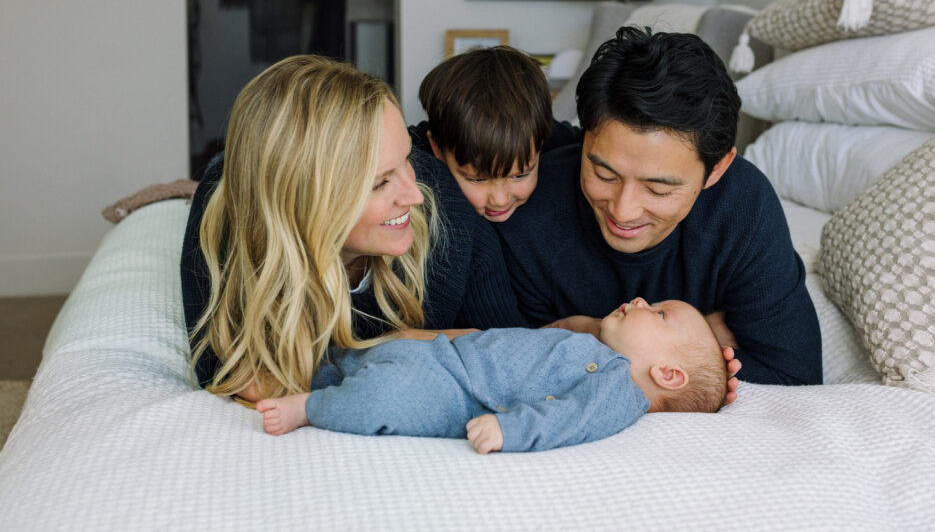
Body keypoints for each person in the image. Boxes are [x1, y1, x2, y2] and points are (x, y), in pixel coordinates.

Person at [180, 55, 528, 400]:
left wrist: (340, 360)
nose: (414, 195)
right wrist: (397, 344)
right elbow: (237, 376)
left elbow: (516, 358)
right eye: (380, 183)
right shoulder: (224, 214)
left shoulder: (445, 211)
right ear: (308, 203)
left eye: (408, 159)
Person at [493, 27, 823, 386]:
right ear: (584, 138)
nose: (623, 211)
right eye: (604, 174)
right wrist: (705, 340)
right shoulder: (528, 209)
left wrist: (587, 333)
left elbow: (794, 377)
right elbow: (509, 368)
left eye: (658, 189)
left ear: (717, 169)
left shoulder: (742, 207)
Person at [256, 297, 727, 452]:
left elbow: (571, 419)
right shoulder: (598, 349)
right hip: (446, 356)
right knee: (363, 357)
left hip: (457, 394)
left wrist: (511, 430)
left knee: (386, 396)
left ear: (668, 374)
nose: (642, 300)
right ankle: (298, 374)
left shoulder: (619, 391)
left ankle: (310, 408)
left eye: (659, 313)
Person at [410, 46, 579, 222]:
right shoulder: (415, 157)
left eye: (520, 176)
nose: (500, 200)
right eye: (477, 180)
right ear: (437, 148)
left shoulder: (561, 142)